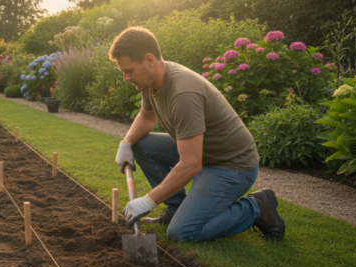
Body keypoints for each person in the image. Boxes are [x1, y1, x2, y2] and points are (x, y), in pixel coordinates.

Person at [111, 27, 285, 242]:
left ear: (149, 60)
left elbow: (191, 164)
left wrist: (148, 201)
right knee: (141, 145)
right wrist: (126, 142)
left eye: (129, 70)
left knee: (182, 233)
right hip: (203, 153)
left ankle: (257, 207)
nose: (126, 78)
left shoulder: (183, 93)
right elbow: (147, 117)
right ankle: (176, 208)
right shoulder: (150, 81)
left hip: (231, 165)